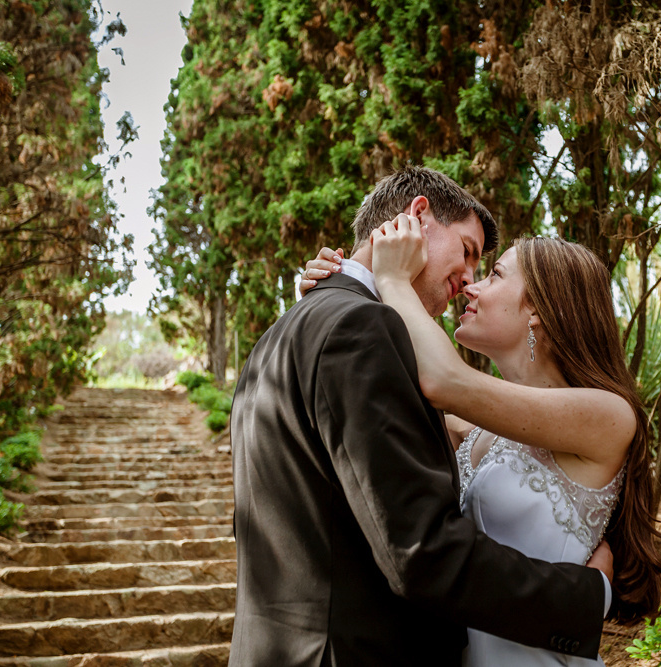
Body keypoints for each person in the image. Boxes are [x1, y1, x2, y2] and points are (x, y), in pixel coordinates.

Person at [229, 166, 614, 667]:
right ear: (418, 217)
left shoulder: (281, 334)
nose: (470, 279)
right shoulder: (361, 329)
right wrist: (588, 597)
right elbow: (420, 553)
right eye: (469, 252)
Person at [301, 216, 661, 666]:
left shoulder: (608, 415)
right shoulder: (473, 427)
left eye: (495, 275)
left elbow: (442, 379)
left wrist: (391, 278)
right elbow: (378, 393)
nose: (470, 287)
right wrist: (335, 295)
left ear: (538, 308)